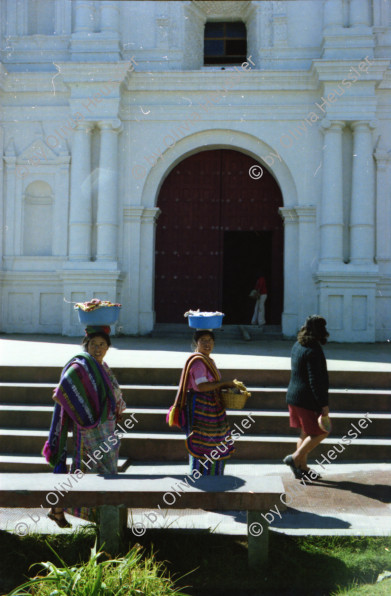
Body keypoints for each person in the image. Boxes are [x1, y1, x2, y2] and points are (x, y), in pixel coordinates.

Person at [43, 325, 126, 527]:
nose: (97, 348)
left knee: (103, 472)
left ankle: (65, 510)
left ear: (108, 347)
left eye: (102, 344)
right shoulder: (80, 367)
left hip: (106, 428)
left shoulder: (102, 367)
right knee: (84, 472)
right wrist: (82, 414)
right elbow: (60, 393)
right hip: (90, 431)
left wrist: (117, 413)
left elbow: (112, 394)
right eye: (93, 344)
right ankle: (66, 509)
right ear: (86, 346)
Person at [167, 330, 236, 475]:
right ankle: (201, 476)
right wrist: (222, 384)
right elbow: (201, 386)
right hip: (201, 407)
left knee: (215, 441)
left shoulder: (208, 360)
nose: (207, 343)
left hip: (212, 406)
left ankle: (213, 475)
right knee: (202, 441)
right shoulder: (198, 362)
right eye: (203, 340)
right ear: (196, 343)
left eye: (210, 340)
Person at [283, 315, 330, 480]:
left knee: (305, 433)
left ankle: (302, 467)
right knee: (322, 431)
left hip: (293, 396)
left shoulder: (298, 344)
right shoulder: (314, 350)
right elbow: (315, 381)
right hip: (306, 399)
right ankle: (295, 459)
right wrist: (324, 404)